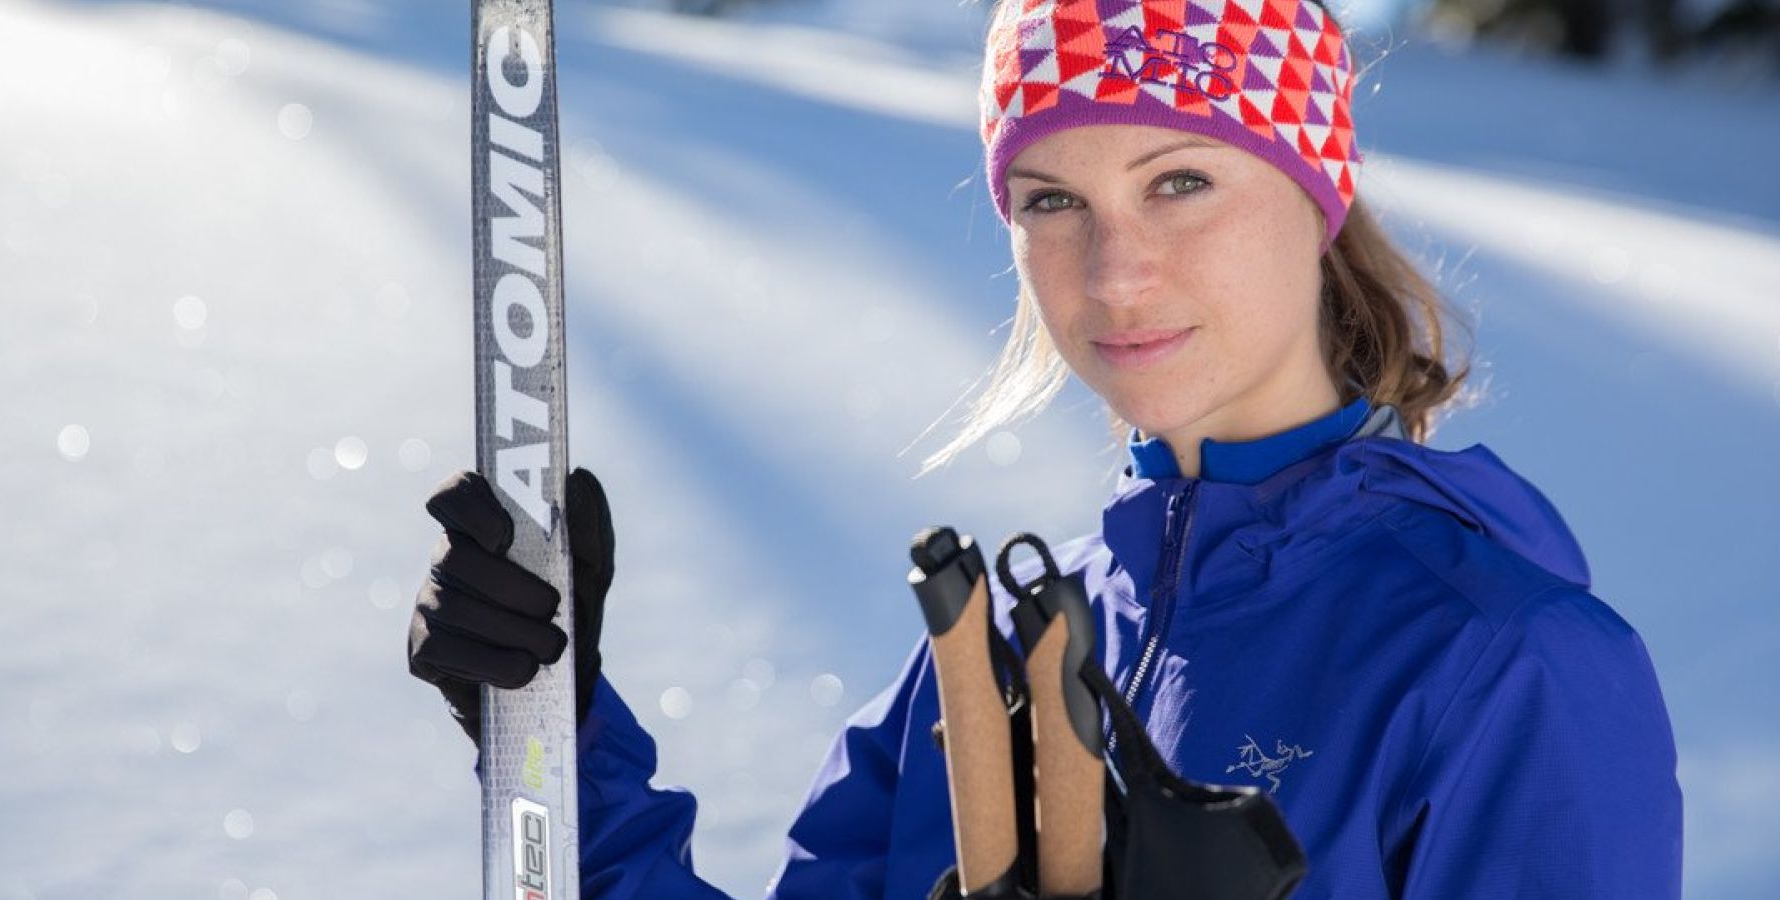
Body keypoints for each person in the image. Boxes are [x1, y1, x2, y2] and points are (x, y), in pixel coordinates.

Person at [406, 0, 1684, 896]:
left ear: (1314, 192)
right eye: (1051, 201)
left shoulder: (1508, 664)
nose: (1115, 269)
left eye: (1179, 180)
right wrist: (554, 740)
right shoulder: (989, 665)